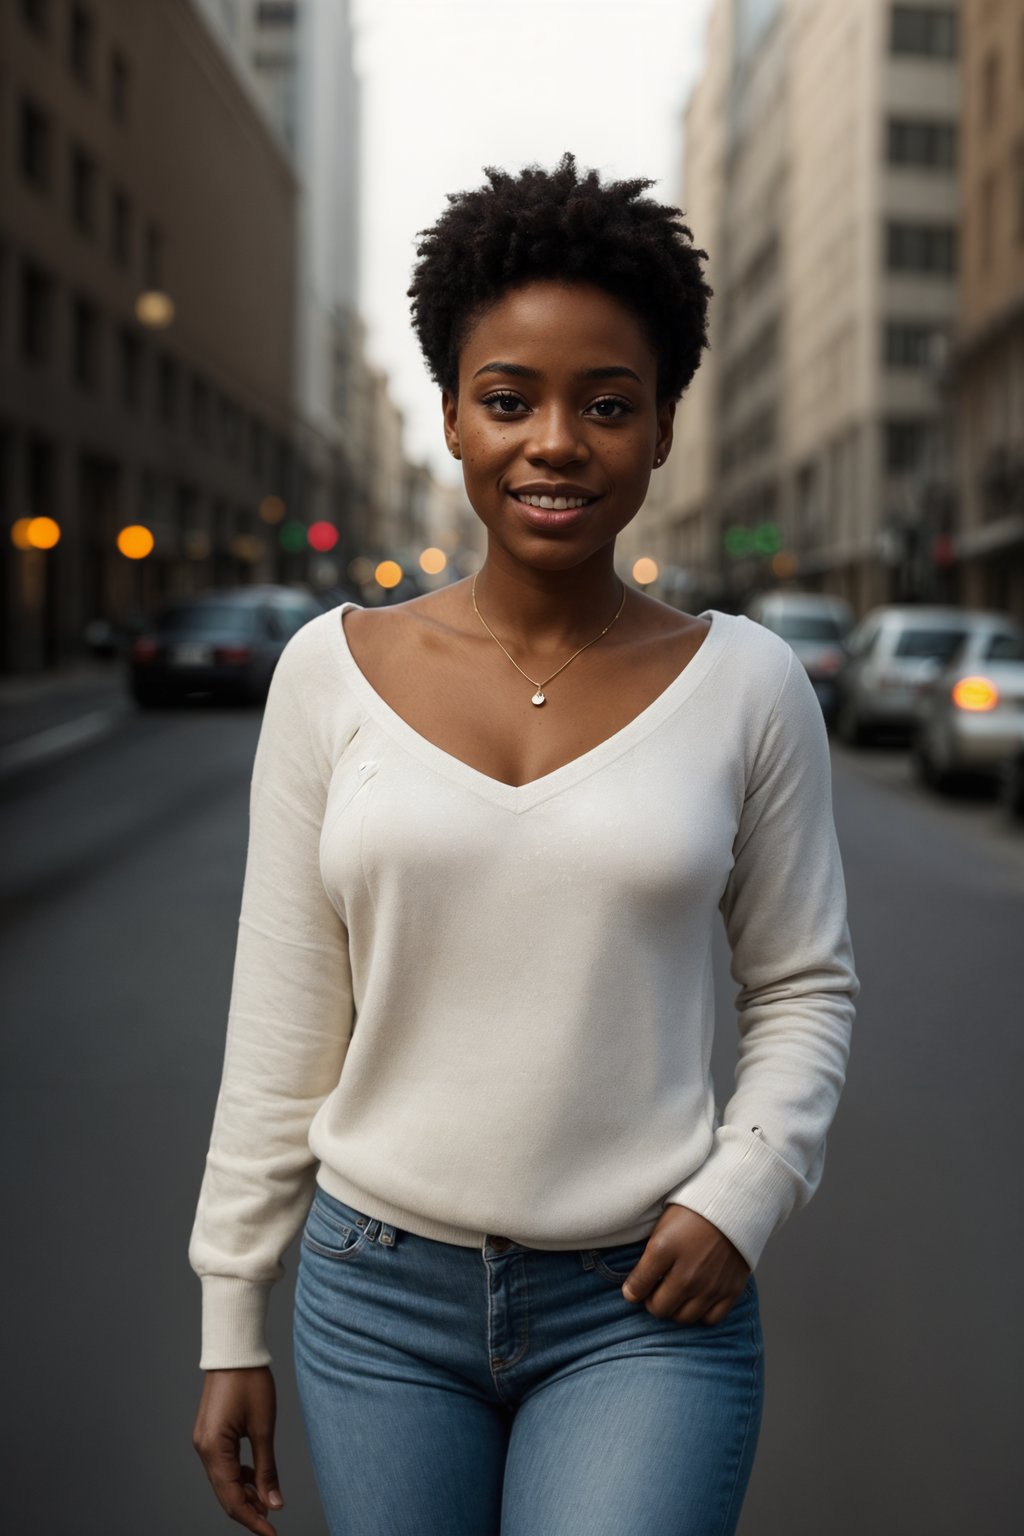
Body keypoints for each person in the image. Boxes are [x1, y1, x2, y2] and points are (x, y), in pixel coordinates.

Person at [189, 153, 858, 1536]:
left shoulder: (750, 687)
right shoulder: (328, 673)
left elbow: (802, 987)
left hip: (647, 1303)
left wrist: (745, 1190)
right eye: (511, 400)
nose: (557, 441)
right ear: (450, 416)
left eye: (608, 406)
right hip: (375, 1303)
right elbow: (283, 1017)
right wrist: (227, 1312)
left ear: (664, 429)